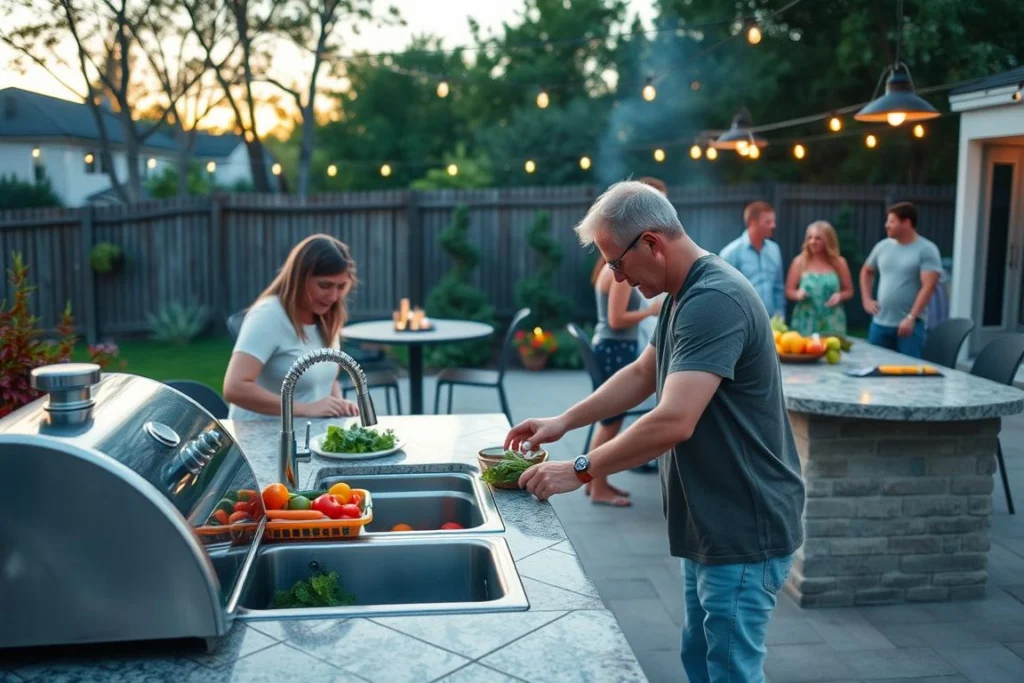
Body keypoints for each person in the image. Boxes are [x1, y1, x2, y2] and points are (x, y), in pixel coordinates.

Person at [506, 181, 805, 683]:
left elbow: (673, 420)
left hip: (743, 522)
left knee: (731, 670)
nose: (616, 277)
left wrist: (580, 469)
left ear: (650, 242)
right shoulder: (682, 293)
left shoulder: (714, 299)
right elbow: (643, 372)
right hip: (712, 518)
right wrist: (564, 421)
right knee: (701, 657)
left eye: (617, 263)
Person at [223, 234, 361, 420]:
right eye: (325, 285)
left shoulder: (326, 315)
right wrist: (305, 408)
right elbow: (234, 388)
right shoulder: (268, 316)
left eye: (341, 286)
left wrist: (338, 405)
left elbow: (325, 377)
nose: (334, 296)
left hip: (309, 431)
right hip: (260, 433)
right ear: (299, 279)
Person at [585, 255, 662, 506]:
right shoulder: (616, 274)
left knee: (609, 421)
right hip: (615, 349)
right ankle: (598, 488)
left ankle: (596, 481)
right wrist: (650, 311)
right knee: (611, 422)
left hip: (612, 348)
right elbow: (616, 320)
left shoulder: (607, 269)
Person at [860, 202, 942, 358]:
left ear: (906, 223)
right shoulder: (882, 247)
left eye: (892, 221)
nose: (887, 225)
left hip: (909, 326)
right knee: (874, 366)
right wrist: (866, 299)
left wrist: (911, 317)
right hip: (879, 323)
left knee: (907, 370)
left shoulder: (926, 249)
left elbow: (928, 286)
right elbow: (867, 271)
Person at [785, 220, 854, 336]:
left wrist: (840, 296)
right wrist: (798, 294)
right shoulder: (799, 262)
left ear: (828, 241)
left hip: (832, 319)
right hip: (805, 319)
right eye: (810, 238)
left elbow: (849, 291)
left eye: (818, 238)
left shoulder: (839, 263)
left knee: (832, 347)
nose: (813, 242)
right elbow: (789, 291)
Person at [719, 201, 785, 318]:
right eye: (768, 222)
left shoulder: (774, 249)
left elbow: (778, 287)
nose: (773, 226)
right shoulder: (730, 253)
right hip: (743, 320)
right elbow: (724, 292)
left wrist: (780, 315)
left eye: (773, 221)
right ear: (752, 222)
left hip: (771, 321)